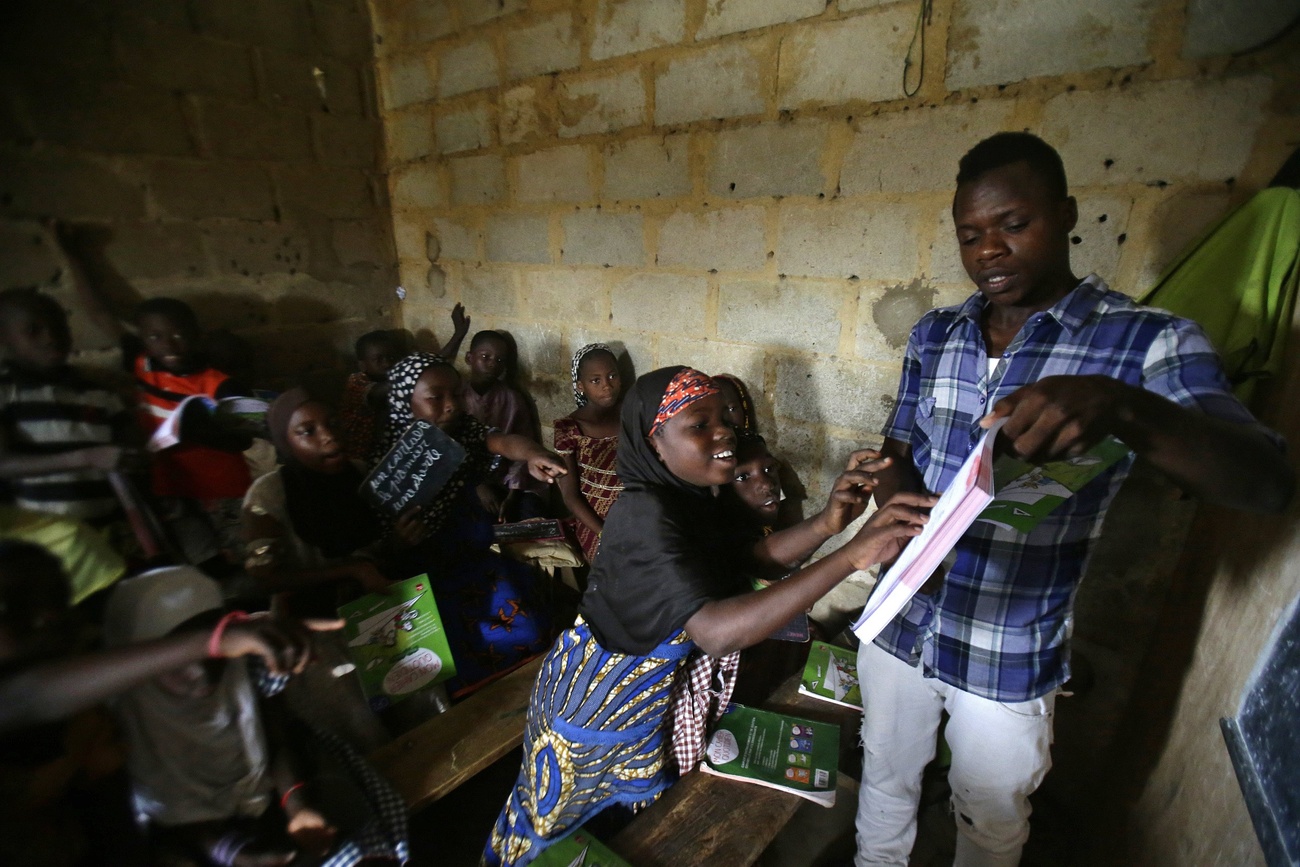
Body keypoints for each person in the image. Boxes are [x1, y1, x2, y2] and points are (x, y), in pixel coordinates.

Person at [856, 132, 1293, 867]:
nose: (989, 250)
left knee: (989, 817)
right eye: (970, 235)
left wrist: (1125, 409)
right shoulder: (937, 333)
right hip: (905, 613)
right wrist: (903, 509)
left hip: (1008, 644)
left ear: (1066, 215)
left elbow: (1266, 481)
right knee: (885, 779)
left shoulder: (1143, 343)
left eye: (1013, 225)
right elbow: (898, 448)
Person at [485, 366, 936, 866]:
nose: (722, 431)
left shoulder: (692, 500)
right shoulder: (644, 513)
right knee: (559, 835)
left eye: (723, 418)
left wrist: (831, 523)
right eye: (698, 424)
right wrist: (853, 556)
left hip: (644, 696)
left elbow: (748, 562)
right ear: (654, 443)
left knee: (625, 834)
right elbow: (716, 631)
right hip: (596, 705)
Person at [103, 566, 409, 867]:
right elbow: (171, 825)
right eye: (183, 658)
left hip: (282, 791)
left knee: (355, 846)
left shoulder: (244, 668)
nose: (200, 670)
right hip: (207, 842)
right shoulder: (127, 726)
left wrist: (297, 808)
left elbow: (277, 743)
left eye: (214, 652)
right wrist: (238, 855)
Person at [55, 224, 254, 571]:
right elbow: (100, 314)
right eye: (156, 336)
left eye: (179, 334)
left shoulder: (219, 383)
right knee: (202, 562)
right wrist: (75, 258)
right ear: (145, 340)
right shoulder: (144, 364)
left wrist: (195, 429)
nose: (169, 344)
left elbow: (246, 436)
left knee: (247, 561)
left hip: (224, 490)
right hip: (169, 485)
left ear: (197, 335)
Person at [379, 352, 567, 695]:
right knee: (447, 662)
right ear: (404, 401)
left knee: (531, 629)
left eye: (456, 394)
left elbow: (502, 441)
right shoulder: (385, 459)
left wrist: (532, 454)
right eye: (436, 398)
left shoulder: (462, 429)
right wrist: (397, 543)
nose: (451, 405)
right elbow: (374, 548)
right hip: (419, 577)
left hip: (471, 560)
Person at [0, 288, 142, 525]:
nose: (50, 338)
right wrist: (84, 458)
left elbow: (129, 448)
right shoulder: (6, 393)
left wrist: (137, 455)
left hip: (109, 527)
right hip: (43, 537)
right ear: (4, 337)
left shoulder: (100, 393)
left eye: (59, 327)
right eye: (34, 331)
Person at [338, 304, 469, 464]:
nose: (386, 363)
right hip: (359, 456)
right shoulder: (357, 382)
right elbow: (415, 377)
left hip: (387, 453)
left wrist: (459, 334)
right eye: (378, 359)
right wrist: (457, 336)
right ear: (362, 365)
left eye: (391, 358)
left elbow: (430, 373)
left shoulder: (399, 381)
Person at [459, 329, 548, 522]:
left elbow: (523, 450)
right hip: (469, 481)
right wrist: (478, 486)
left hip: (511, 483)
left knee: (532, 517)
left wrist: (512, 495)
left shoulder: (512, 399)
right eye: (485, 357)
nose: (492, 364)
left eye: (499, 360)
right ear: (469, 358)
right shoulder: (456, 397)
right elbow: (453, 450)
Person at [553, 343, 624, 563]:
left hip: (635, 514)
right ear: (581, 386)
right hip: (595, 522)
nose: (607, 386)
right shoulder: (570, 428)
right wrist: (604, 533)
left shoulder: (630, 418)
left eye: (612, 376)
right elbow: (570, 495)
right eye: (596, 380)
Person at [713, 372, 805, 526]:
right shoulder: (707, 469)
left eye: (731, 409)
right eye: (742, 477)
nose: (725, 420)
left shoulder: (762, 453)